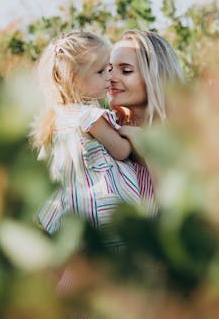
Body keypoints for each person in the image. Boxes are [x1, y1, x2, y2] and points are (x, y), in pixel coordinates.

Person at [31, 31, 142, 241]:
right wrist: (128, 134)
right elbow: (120, 151)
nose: (109, 77)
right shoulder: (89, 116)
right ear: (73, 79)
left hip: (71, 209)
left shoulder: (54, 119)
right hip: (101, 205)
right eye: (101, 72)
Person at [108, 30, 185, 204]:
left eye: (126, 71)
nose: (111, 77)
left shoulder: (185, 136)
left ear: (155, 76)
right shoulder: (108, 133)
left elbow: (175, 206)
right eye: (109, 69)